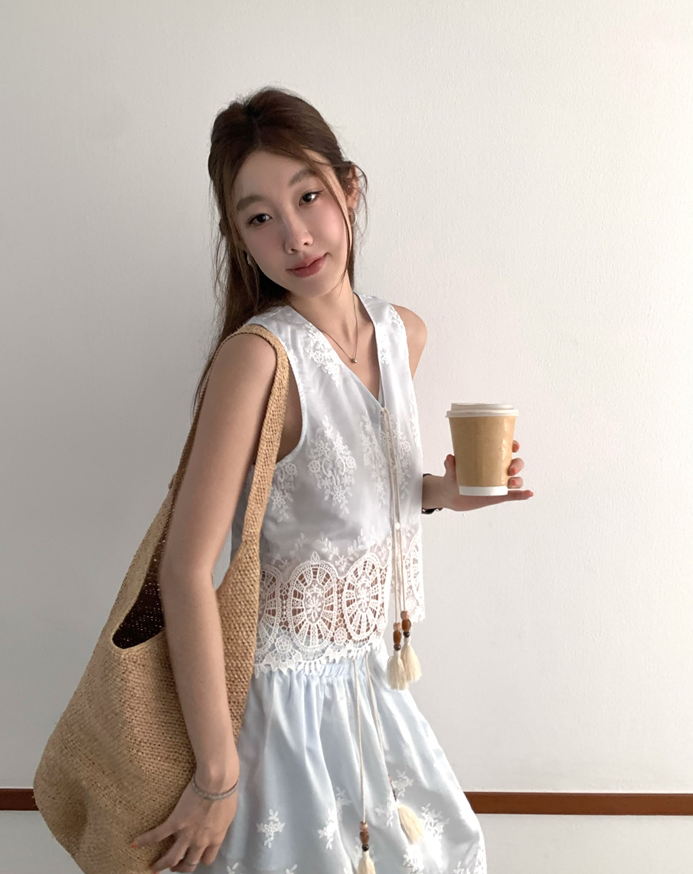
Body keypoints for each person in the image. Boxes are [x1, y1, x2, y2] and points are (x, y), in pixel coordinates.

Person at [129, 86, 532, 873]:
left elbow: (347, 488)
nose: (295, 235)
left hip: (380, 683)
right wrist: (217, 774)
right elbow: (185, 568)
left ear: (350, 188)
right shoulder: (257, 359)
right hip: (287, 711)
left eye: (308, 196)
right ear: (239, 238)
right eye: (259, 217)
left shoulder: (402, 333)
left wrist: (445, 492)